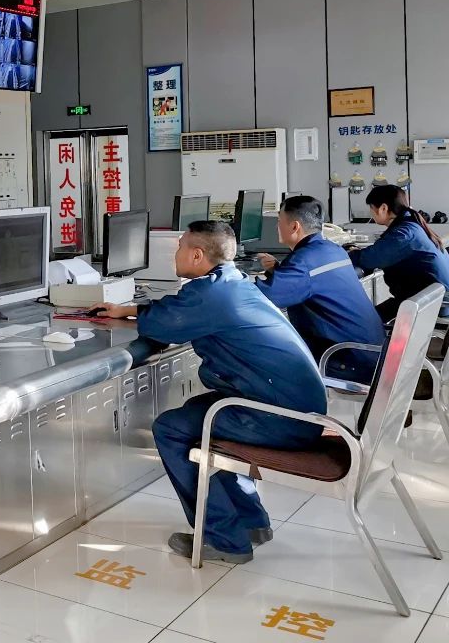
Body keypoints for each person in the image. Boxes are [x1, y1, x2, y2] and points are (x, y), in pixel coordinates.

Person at [95, 221, 326, 564]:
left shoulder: (210, 294)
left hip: (279, 417)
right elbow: (175, 310)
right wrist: (130, 310)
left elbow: (163, 323)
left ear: (197, 255)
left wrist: (131, 313)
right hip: (294, 408)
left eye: (180, 246)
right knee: (196, 415)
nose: (175, 253)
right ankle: (251, 522)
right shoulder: (232, 283)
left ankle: (225, 539)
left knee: (173, 429)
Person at [253, 196, 386, 383]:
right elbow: (309, 280)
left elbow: (261, 298)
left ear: (294, 227)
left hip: (347, 361)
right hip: (371, 354)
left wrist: (227, 277)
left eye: (279, 221)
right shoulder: (333, 250)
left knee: (259, 359)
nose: (277, 226)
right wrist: (278, 270)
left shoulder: (303, 262)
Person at [348, 185, 449, 322]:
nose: (371, 213)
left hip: (428, 304)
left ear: (383, 208)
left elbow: (369, 259)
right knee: (366, 317)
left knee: (359, 322)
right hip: (429, 299)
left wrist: (346, 253)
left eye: (371, 208)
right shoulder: (412, 225)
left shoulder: (404, 234)